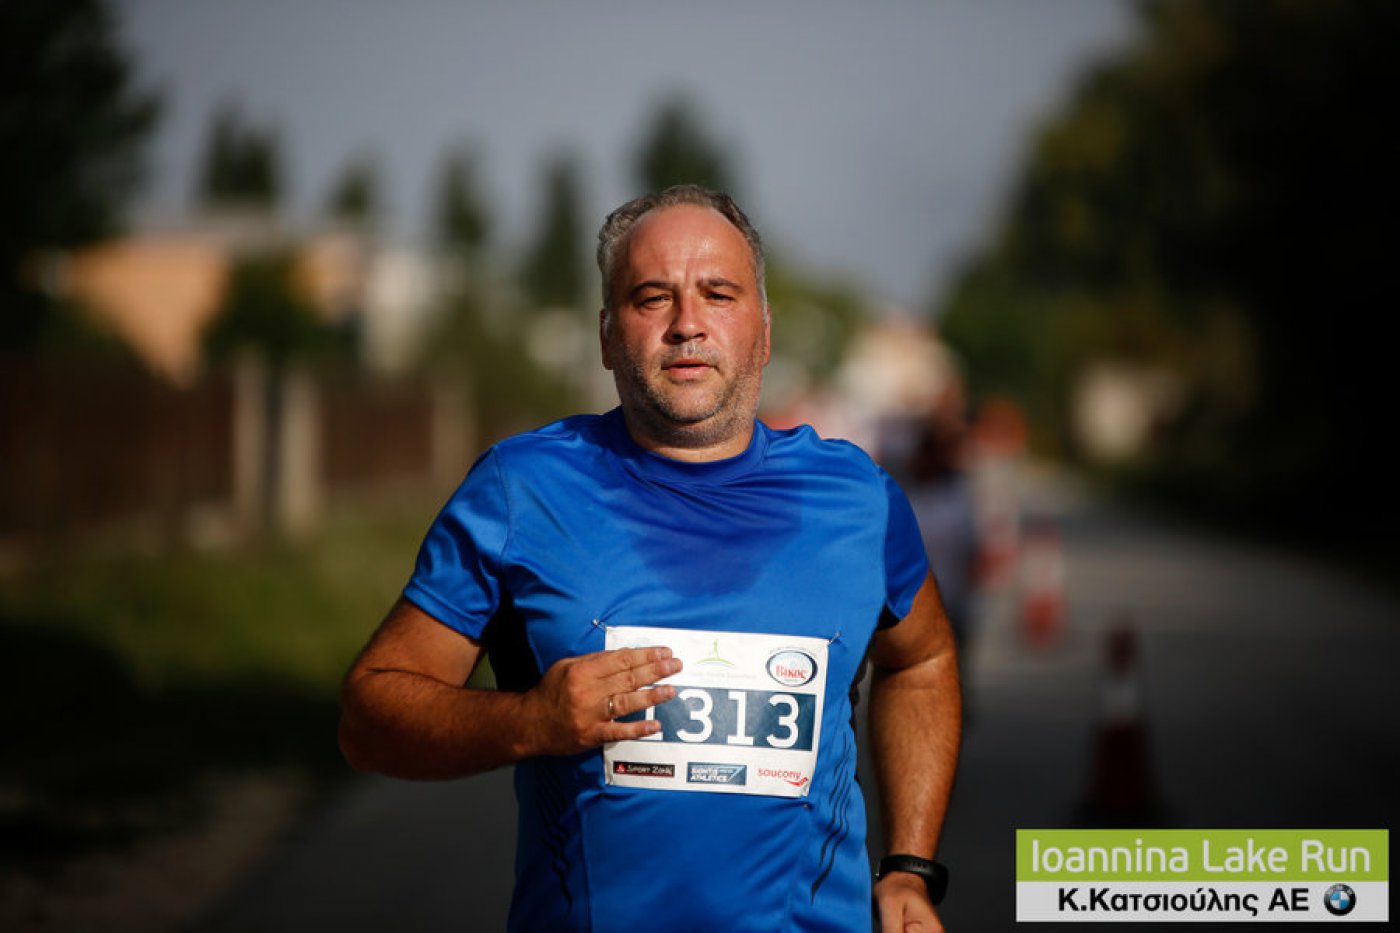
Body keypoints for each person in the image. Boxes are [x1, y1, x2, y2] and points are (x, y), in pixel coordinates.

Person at [339, 185, 962, 932]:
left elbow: (922, 660)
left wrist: (909, 867)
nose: (687, 324)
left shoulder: (857, 500)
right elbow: (368, 718)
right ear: (607, 336)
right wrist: (528, 721)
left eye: (718, 295)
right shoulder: (521, 491)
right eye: (652, 298)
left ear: (763, 331)